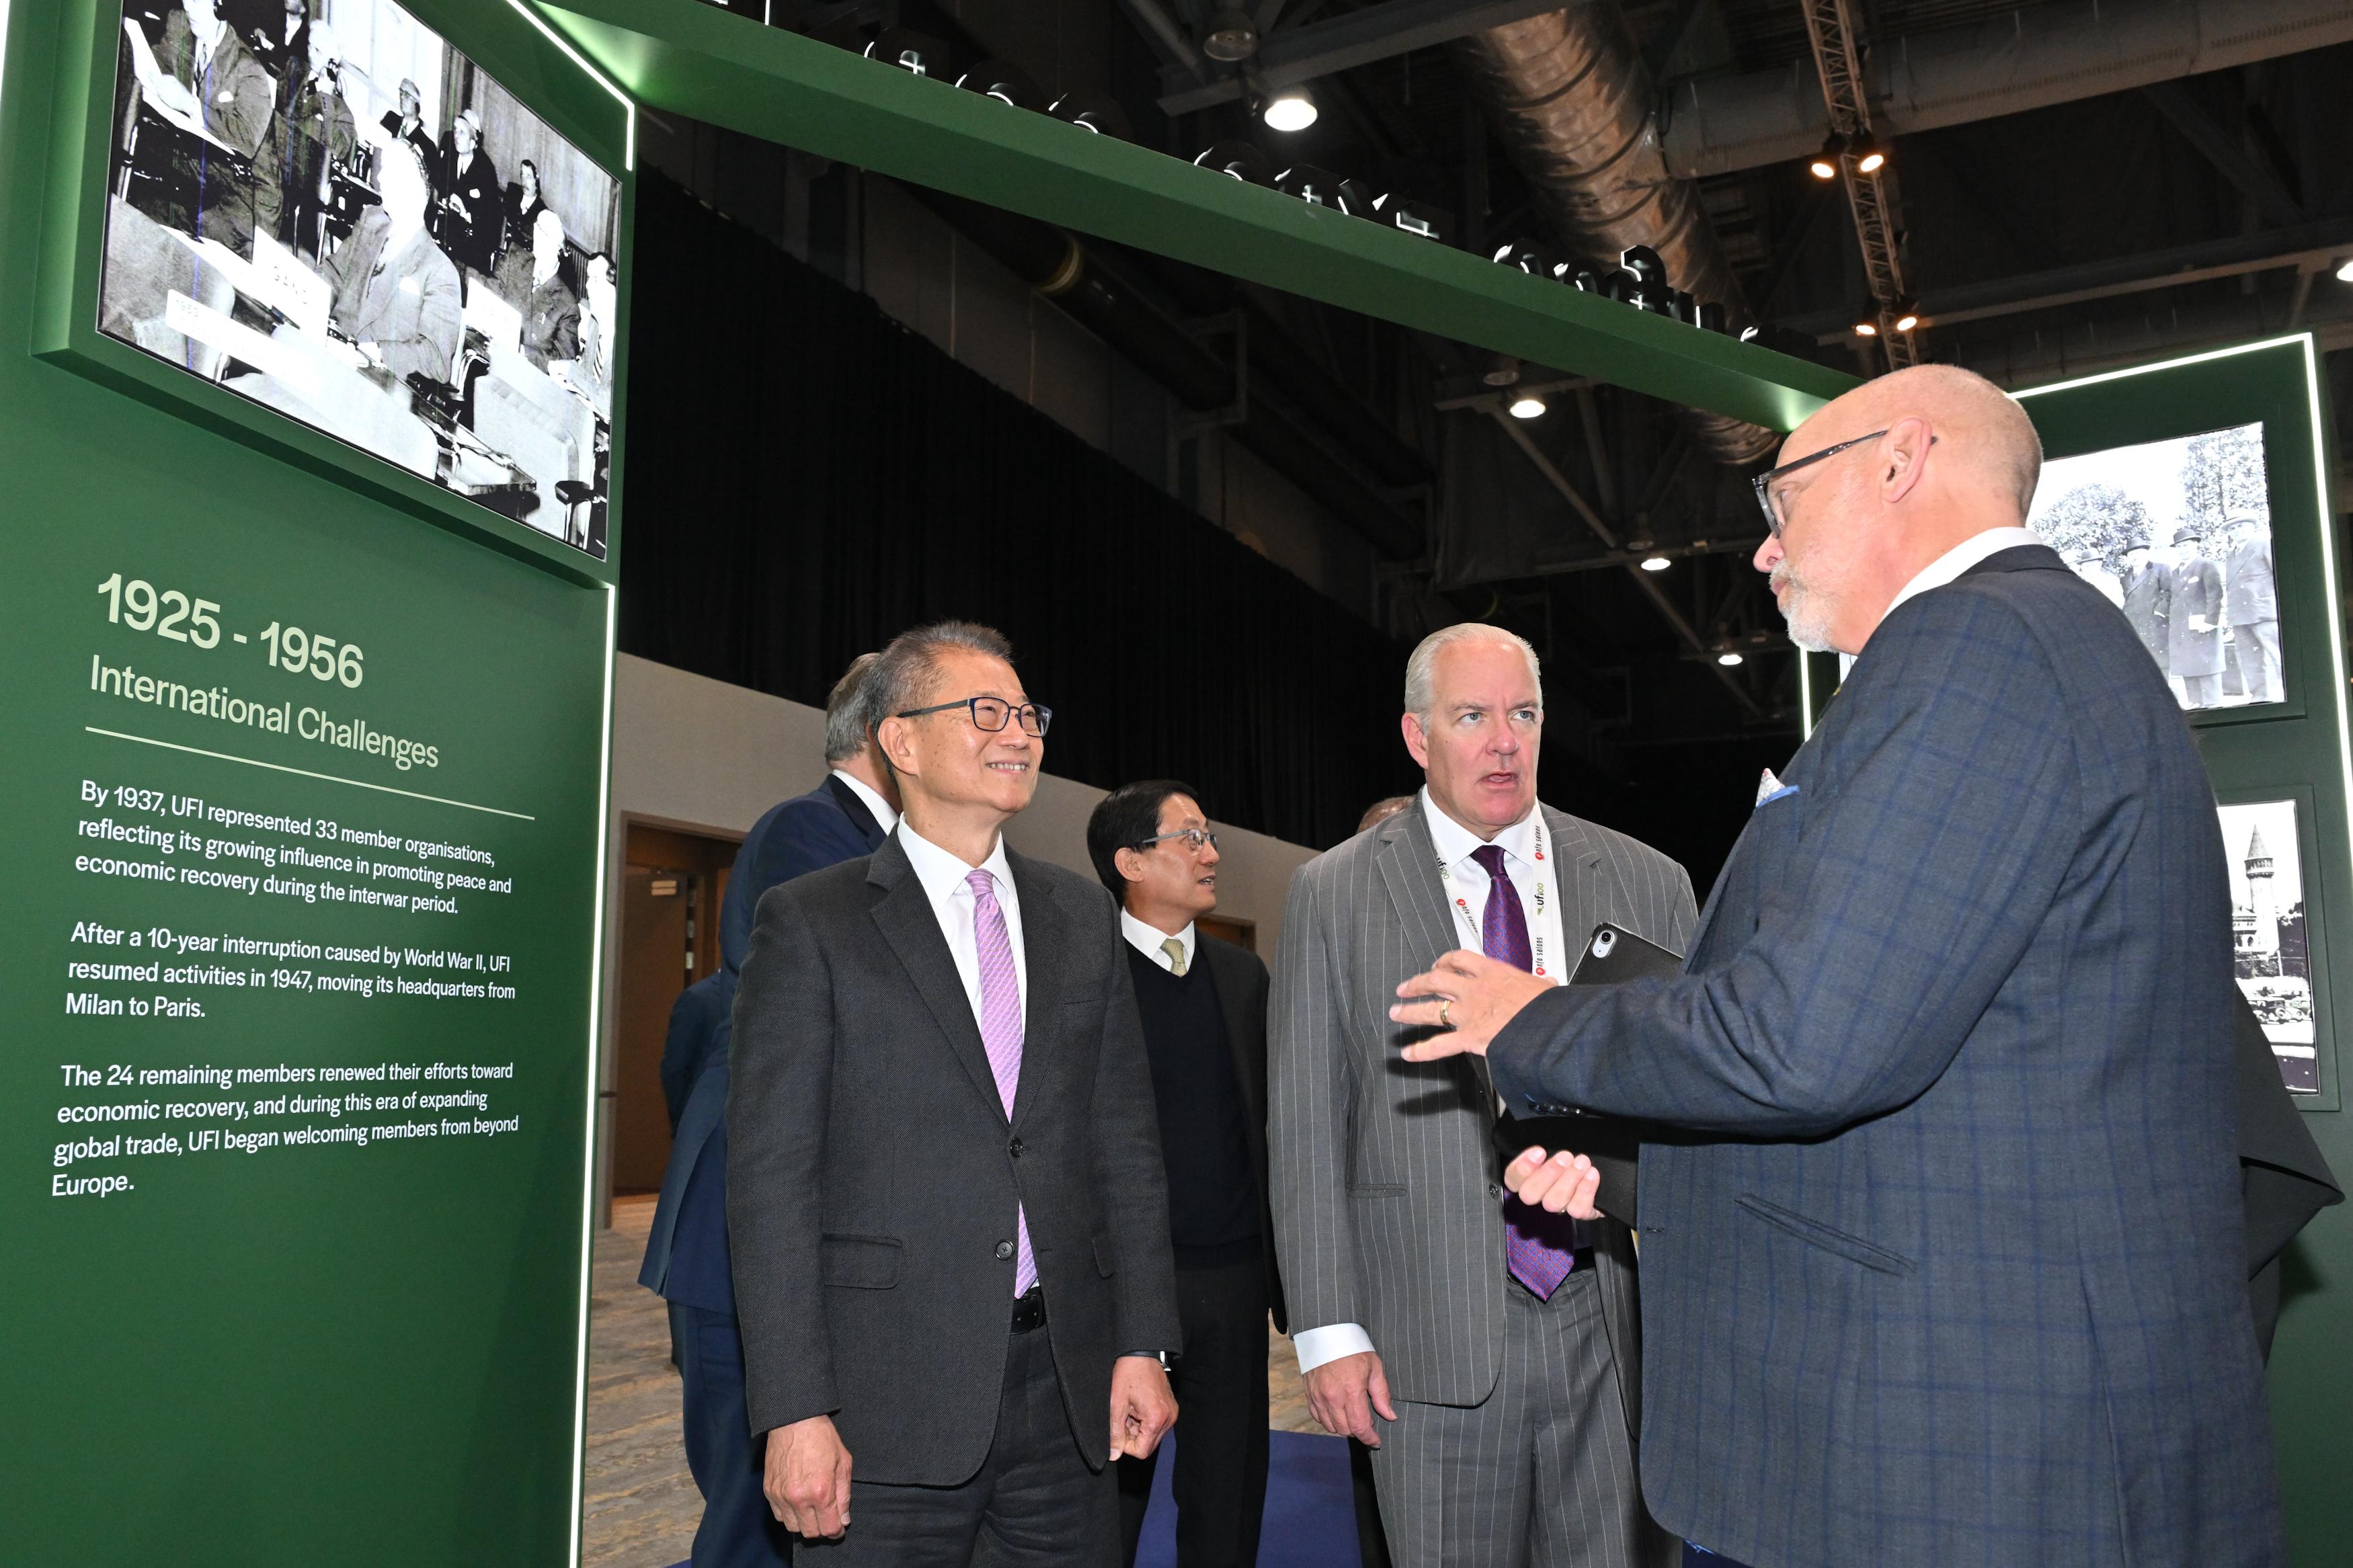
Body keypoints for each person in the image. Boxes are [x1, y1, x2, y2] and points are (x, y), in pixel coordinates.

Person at [1390, 364, 2286, 1565]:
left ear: (1901, 461)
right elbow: (1964, 1089)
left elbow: (1803, 1038)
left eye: (1782, 500)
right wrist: (1644, 1173)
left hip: (1967, 1446)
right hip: (2002, 1404)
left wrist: (1532, 1020)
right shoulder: (2045, 645)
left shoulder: (1979, 648)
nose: (1765, 550)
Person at [727, 621, 1181, 1563]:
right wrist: (793, 1407)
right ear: (900, 739)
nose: (1019, 733)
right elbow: (772, 1180)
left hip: (1067, 1391)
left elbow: (1126, 1146)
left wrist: (1143, 1340)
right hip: (883, 1401)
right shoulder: (813, 921)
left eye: (1027, 714)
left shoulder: (1079, 914)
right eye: (985, 711)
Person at [1271, 622, 1694, 1568]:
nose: (1504, 741)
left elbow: (1693, 1100)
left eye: (1523, 714)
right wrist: (1329, 1332)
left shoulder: (1647, 881)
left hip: (1610, 1322)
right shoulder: (1332, 894)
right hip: (1423, 1336)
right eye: (1471, 716)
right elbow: (1305, 1125)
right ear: (1417, 735)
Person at [641, 653, 900, 1568]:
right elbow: (871, 1008)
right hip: (745, 1253)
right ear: (887, 733)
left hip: (820, 1243)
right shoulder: (806, 829)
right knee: (752, 1524)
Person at [1086, 782, 1282, 1568]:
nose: (1211, 853)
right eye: (1189, 837)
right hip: (1124, 1287)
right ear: (1130, 862)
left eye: (1209, 834)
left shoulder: (1243, 978)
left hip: (1232, 1280)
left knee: (1227, 1497)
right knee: (1109, 1501)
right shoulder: (1083, 977)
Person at [149, 0, 281, 259]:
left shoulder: (249, 68)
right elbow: (159, 63)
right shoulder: (182, 29)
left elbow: (245, 138)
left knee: (190, 247)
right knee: (143, 204)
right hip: (200, 173)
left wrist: (190, 104)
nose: (190, 7)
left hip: (244, 199)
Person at [323, 138, 461, 384]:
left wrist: (373, 353)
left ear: (414, 184)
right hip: (328, 348)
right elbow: (333, 273)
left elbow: (436, 359)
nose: (380, 177)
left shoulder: (440, 270)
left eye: (389, 169)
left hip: (372, 379)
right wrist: (306, 295)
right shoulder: (372, 221)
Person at [271, 20, 353, 259]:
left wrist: (325, 99)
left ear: (332, 63)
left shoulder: (342, 111)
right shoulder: (295, 73)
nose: (311, 54)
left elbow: (338, 149)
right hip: (274, 170)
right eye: (310, 46)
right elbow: (281, 110)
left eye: (318, 50)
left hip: (303, 191)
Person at [435, 108, 501, 275]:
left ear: (473, 143)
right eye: (455, 130)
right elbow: (437, 182)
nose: (456, 136)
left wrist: (465, 213)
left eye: (462, 133)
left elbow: (490, 221)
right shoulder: (449, 150)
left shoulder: (486, 172)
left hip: (470, 245)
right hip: (443, 232)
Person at [2167, 523, 2227, 708]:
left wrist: (2210, 621)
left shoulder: (2206, 565)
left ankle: (2213, 703)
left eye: (2186, 545)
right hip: (2182, 627)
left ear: (2195, 545)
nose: (2182, 549)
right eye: (2179, 546)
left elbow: (2215, 595)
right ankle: (2196, 702)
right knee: (2188, 664)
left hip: (2202, 625)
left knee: (2206, 663)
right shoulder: (2175, 572)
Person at [2223, 513, 2280, 704]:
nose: (2236, 531)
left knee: (2279, 655)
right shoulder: (2231, 553)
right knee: (2249, 659)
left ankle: (2290, 694)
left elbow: (2279, 576)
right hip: (2240, 615)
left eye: (2241, 526)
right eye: (2232, 528)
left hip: (2263, 612)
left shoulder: (2264, 544)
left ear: (2252, 526)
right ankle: (2260, 697)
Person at [521, 208, 582, 371]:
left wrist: (523, 352)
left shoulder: (567, 305)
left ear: (560, 252)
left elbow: (565, 360)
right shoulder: (516, 263)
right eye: (540, 230)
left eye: (548, 237)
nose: (541, 239)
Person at [2119, 536, 2170, 685]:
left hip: (2155, 626)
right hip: (2134, 628)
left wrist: (2159, 613)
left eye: (2138, 553)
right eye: (2131, 554)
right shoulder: (2125, 577)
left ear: (2146, 553)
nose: (2135, 557)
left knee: (2160, 668)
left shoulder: (2160, 569)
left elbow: (2169, 593)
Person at [378, 77, 438, 185]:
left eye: (407, 95)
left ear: (417, 104)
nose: (402, 97)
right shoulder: (390, 119)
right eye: (401, 93)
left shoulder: (428, 145)